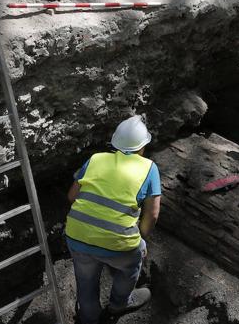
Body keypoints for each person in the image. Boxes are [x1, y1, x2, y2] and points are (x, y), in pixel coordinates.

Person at [65, 115, 161, 324]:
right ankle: (119, 304)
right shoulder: (149, 168)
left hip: (77, 236)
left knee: (85, 281)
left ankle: (89, 318)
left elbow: (72, 196)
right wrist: (140, 238)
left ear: (115, 143)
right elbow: (152, 214)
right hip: (118, 245)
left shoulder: (95, 159)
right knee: (131, 266)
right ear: (143, 146)